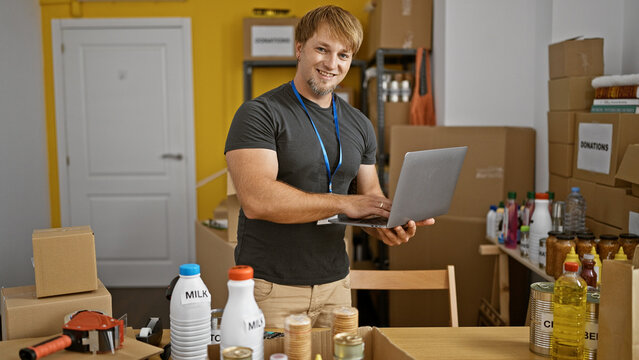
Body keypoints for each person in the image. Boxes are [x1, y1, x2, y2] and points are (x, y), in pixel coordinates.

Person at [224, 5, 434, 328]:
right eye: (322, 49)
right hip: (272, 289)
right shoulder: (260, 114)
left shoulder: (360, 125)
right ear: (299, 49)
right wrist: (348, 203)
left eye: (343, 55)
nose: (332, 64)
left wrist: (389, 223)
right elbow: (256, 200)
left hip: (337, 287)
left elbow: (370, 199)